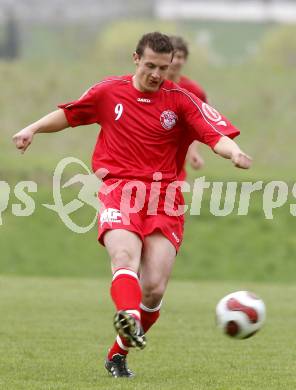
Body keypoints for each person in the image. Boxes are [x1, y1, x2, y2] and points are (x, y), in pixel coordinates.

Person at [13, 32, 252, 378]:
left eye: (163, 68)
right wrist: (31, 129)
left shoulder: (181, 100)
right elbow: (70, 114)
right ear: (136, 58)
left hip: (164, 196)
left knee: (153, 288)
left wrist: (235, 153)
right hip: (119, 188)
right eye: (151, 66)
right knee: (124, 258)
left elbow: (215, 135)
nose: (157, 74)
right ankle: (130, 315)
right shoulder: (109, 91)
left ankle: (117, 354)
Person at [168, 35, 208, 181]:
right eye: (173, 56)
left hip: (175, 162)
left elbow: (198, 125)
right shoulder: (150, 86)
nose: (177, 61)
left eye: (181, 56)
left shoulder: (194, 91)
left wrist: (193, 152)